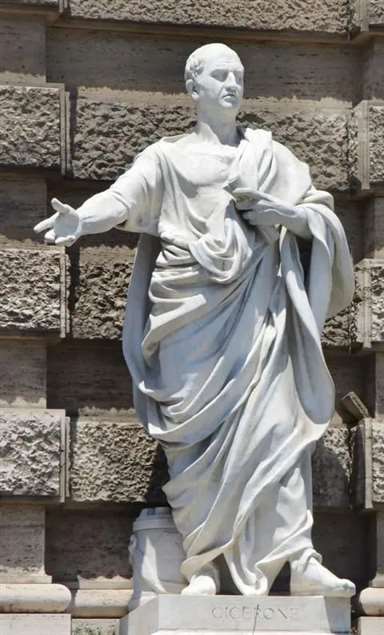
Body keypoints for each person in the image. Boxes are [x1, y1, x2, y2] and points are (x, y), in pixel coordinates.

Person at [35, 43, 355, 597]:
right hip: (187, 316)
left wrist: (284, 213)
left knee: (278, 426)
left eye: (239, 76)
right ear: (193, 87)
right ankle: (202, 562)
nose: (232, 84)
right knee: (195, 445)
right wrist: (82, 220)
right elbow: (122, 199)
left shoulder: (269, 155)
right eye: (220, 75)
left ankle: (299, 558)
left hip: (259, 313)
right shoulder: (167, 157)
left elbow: (318, 216)